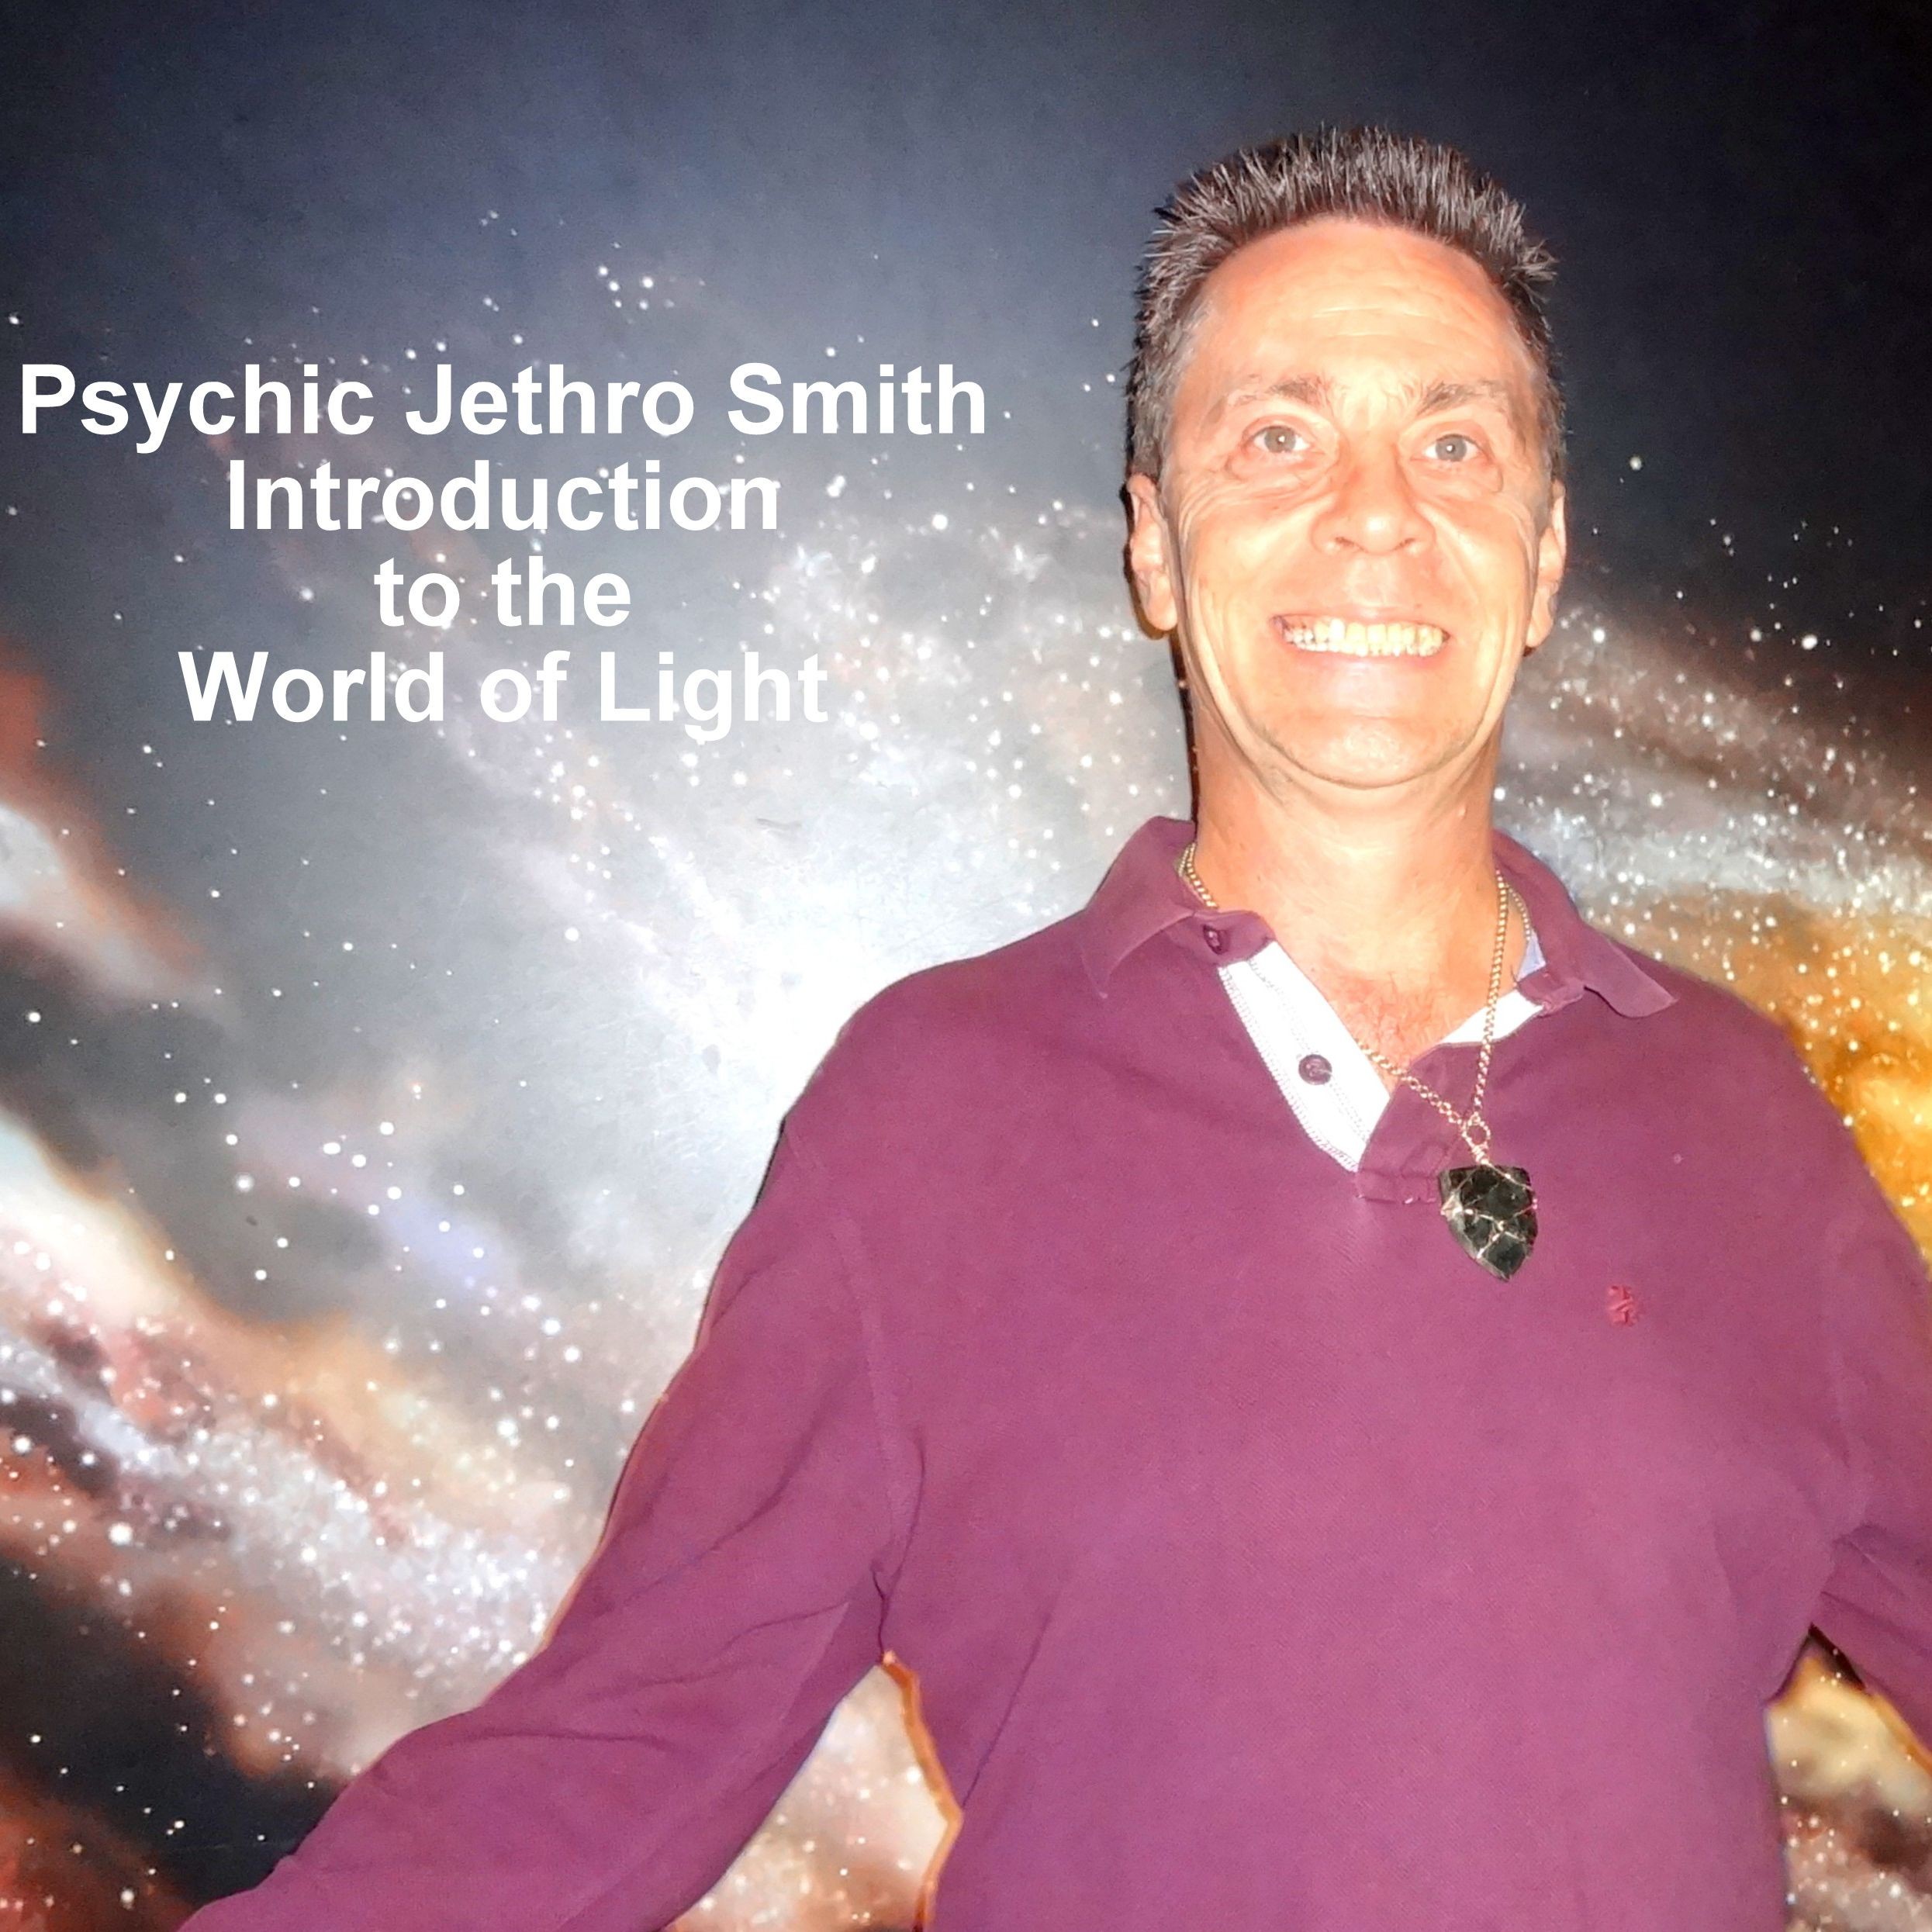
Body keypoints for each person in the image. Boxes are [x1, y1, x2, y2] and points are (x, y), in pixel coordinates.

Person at [183, 124, 1932, 1932]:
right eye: (1278, 437)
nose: (1375, 512)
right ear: (1155, 550)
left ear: (1544, 557)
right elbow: (615, 1751)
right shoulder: (931, 1106)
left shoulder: (1742, 1117)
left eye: (1453, 443)